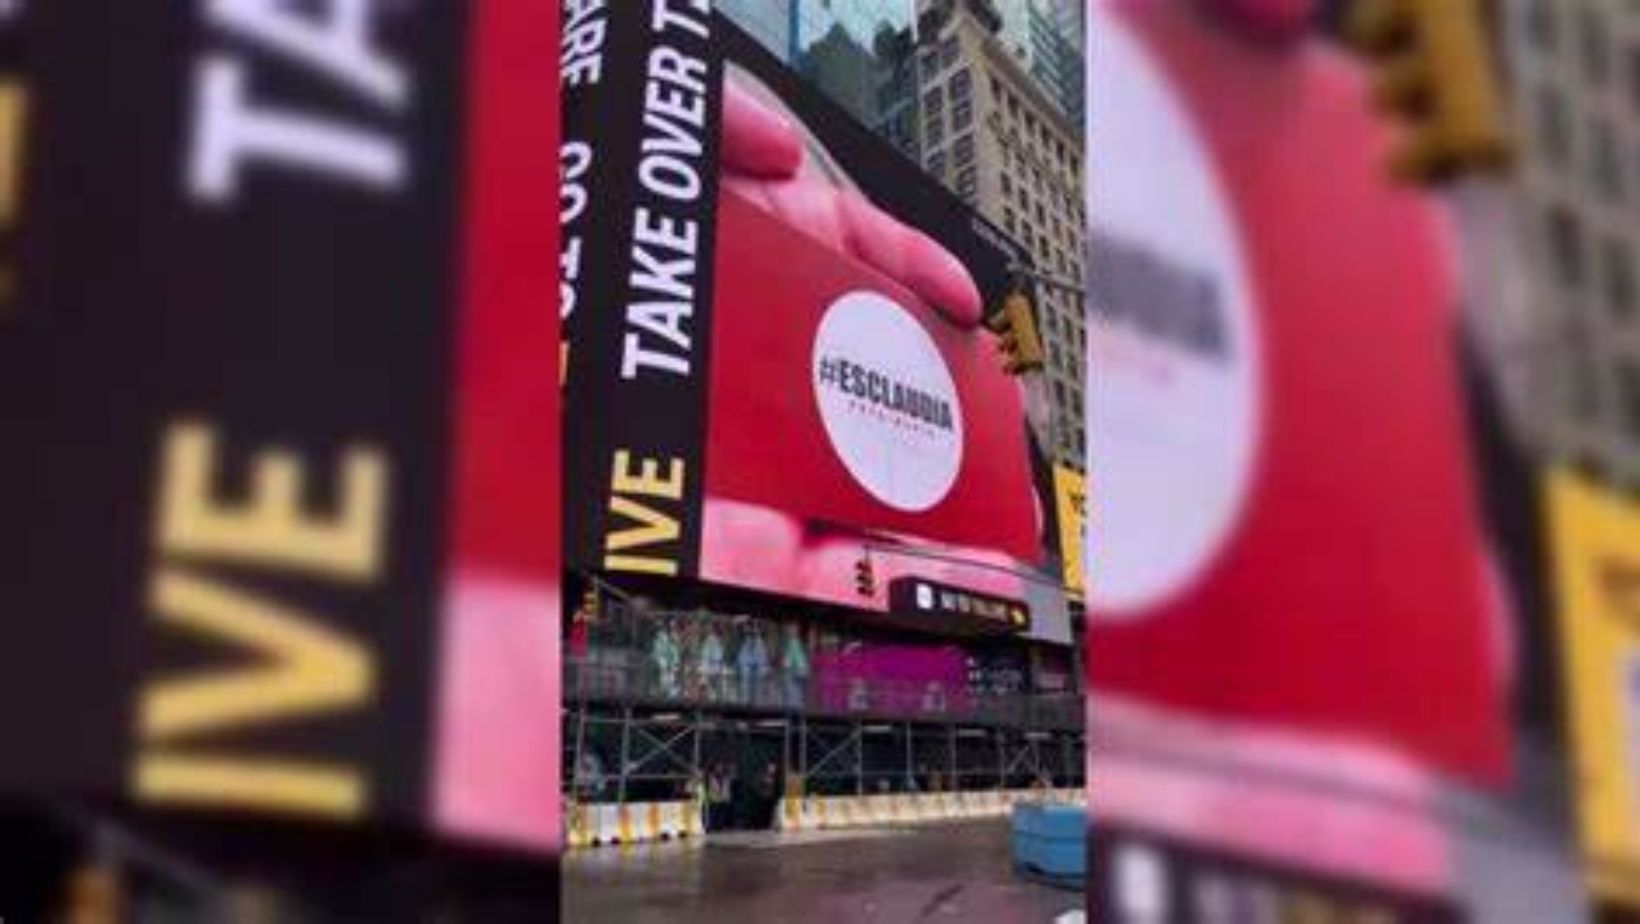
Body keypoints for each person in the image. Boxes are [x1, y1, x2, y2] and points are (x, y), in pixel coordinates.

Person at [737, 623, 770, 705]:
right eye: (752, 632)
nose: (753, 634)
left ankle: (756, 703)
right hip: (748, 672)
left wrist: (762, 668)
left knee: (757, 690)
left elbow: (763, 659)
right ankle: (746, 702)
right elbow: (742, 658)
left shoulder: (760, 644)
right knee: (746, 689)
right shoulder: (746, 643)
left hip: (757, 672)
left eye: (756, 632)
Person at [780, 622, 809, 709]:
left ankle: (794, 715)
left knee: (794, 697)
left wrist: (800, 671)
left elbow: (797, 661)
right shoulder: (792, 643)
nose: (790, 632)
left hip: (793, 674)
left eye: (793, 630)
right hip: (794, 673)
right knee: (793, 696)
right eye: (790, 630)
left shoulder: (795, 643)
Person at [650, 619, 680, 700]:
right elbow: (657, 653)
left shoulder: (675, 637)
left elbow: (676, 654)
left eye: (674, 627)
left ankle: (670, 693)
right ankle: (659, 692)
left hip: (671, 665)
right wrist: (664, 664)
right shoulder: (660, 637)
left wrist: (674, 665)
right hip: (662, 664)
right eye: (671, 627)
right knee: (663, 673)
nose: (672, 629)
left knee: (672, 675)